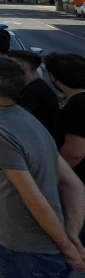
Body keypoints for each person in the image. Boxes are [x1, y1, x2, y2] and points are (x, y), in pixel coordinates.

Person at [0, 54, 85, 278]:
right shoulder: (29, 119)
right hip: (46, 246)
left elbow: (33, 199)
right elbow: (73, 184)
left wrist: (68, 247)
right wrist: (71, 235)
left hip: (23, 249)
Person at [45, 53, 85, 187]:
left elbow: (75, 153)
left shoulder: (77, 106)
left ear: (54, 78)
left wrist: (50, 175)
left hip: (78, 182)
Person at [9, 49, 63, 147]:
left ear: (22, 65)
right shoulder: (36, 86)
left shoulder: (33, 91)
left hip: (39, 143)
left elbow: (19, 121)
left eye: (10, 64)